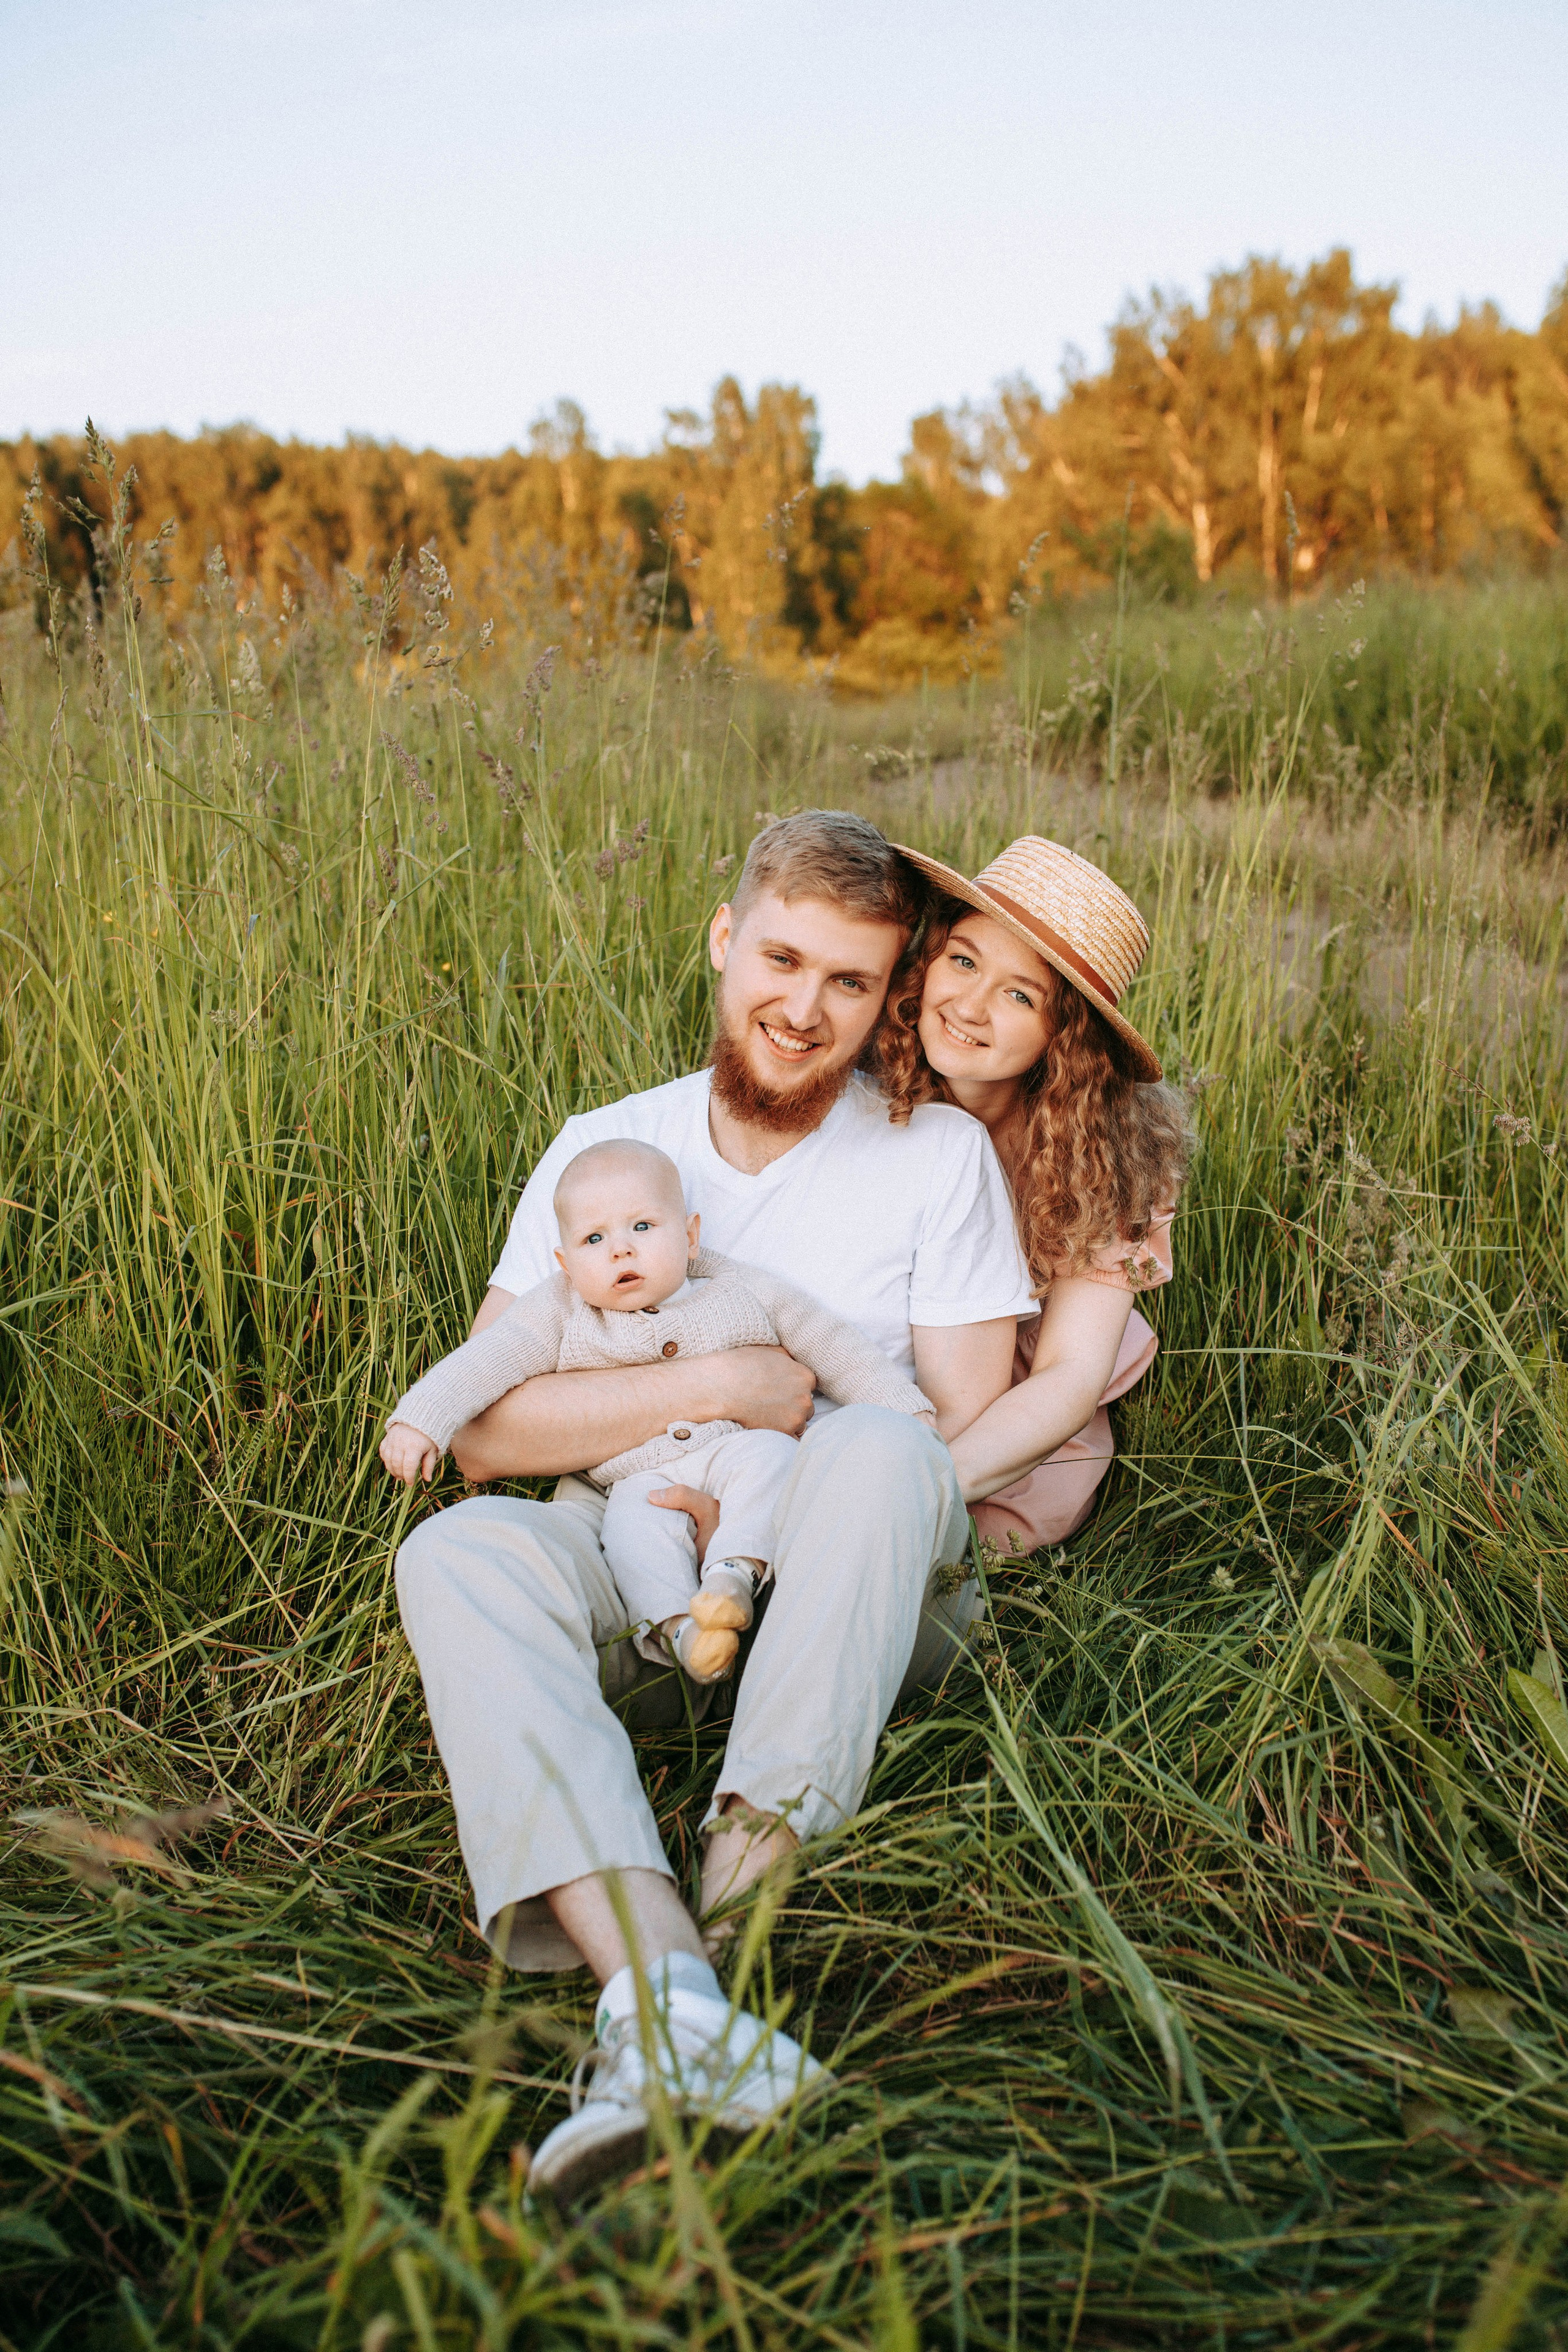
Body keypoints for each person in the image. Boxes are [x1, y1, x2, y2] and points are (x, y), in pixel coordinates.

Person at [393, 809, 1035, 2204]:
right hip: (630, 1556)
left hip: (843, 1588)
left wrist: (788, 1421)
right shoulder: (606, 1146)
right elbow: (492, 1427)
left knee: (875, 1454)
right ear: (723, 940)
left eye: (850, 980)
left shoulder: (933, 1156)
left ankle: (738, 1910)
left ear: (887, 994)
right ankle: (672, 2000)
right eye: (783, 959)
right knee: (457, 1554)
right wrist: (734, 1379)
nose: (805, 1007)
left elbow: (951, 1437)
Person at [380, 1137, 937, 1683]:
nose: (621, 1249)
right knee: (633, 1538)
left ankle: (733, 1578)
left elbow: (830, 1343)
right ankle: (681, 1634)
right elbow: (486, 1361)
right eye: (594, 1238)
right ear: (566, 1263)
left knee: (772, 1461)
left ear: (690, 1236)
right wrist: (420, 1418)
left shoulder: (737, 1287)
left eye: (642, 1227)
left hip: (732, 1449)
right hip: (632, 1480)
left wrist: (904, 1411)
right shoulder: (558, 1310)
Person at [881, 835, 1194, 1548]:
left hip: (1017, 1401)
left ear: (1065, 1038)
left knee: (972, 1541)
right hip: (878, 1336)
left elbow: (1068, 1374)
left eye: (1019, 995)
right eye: (962, 960)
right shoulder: (873, 1068)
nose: (970, 1005)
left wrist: (916, 1493)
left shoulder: (1108, 1155)